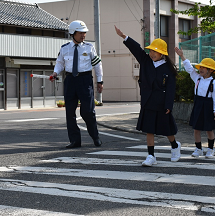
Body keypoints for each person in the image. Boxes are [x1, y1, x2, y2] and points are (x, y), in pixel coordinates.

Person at [115, 26, 181, 166]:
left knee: (167, 129)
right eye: (151, 50)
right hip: (148, 101)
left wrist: (169, 104)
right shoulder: (145, 62)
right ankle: (151, 156)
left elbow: (170, 89)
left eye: (155, 52)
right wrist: (124, 36)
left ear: (162, 54)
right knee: (149, 129)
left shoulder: (168, 69)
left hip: (162, 103)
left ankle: (175, 146)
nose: (151, 54)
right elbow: (136, 49)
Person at [50, 20, 103, 148]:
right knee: (70, 112)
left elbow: (97, 65)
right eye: (81, 33)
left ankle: (95, 136)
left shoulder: (89, 48)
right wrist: (55, 73)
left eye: (84, 33)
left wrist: (100, 81)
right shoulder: (64, 49)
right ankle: (75, 141)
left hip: (85, 81)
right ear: (73, 33)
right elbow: (60, 63)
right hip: (70, 81)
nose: (83, 35)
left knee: (88, 112)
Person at [175, 47, 215, 159]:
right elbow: (189, 68)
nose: (200, 69)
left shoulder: (214, 83)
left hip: (208, 106)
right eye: (200, 67)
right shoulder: (197, 78)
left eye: (204, 67)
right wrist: (182, 56)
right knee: (196, 129)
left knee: (209, 129)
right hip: (198, 105)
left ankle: (210, 149)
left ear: (210, 70)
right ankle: (198, 149)